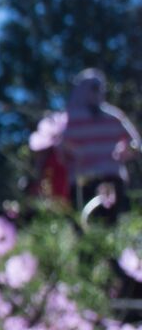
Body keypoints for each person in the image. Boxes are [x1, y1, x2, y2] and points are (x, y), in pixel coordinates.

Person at [60, 69, 140, 219]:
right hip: (83, 181)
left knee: (112, 221)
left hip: (112, 177)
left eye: (99, 87)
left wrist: (125, 151)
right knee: (86, 222)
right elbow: (61, 148)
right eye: (92, 88)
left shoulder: (113, 116)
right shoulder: (69, 120)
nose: (97, 92)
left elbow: (135, 142)